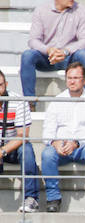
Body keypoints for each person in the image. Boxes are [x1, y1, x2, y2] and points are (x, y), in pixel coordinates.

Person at [40, 62, 85, 214]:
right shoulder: (57, 100)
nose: (72, 81)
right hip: (60, 146)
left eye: (76, 78)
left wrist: (76, 143)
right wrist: (54, 143)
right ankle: (53, 199)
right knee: (47, 153)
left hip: (83, 146)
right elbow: (47, 132)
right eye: (69, 78)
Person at [20, 0, 85, 103]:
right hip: (46, 57)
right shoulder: (41, 10)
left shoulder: (81, 10)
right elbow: (33, 40)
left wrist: (65, 51)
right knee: (27, 55)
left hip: (69, 57)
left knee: (84, 55)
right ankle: (30, 103)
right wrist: (48, 50)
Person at [0, 70, 41, 214]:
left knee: (27, 149)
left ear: (6, 84)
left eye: (0, 85)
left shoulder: (18, 101)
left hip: (11, 148)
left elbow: (22, 135)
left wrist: (2, 151)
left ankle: (31, 198)